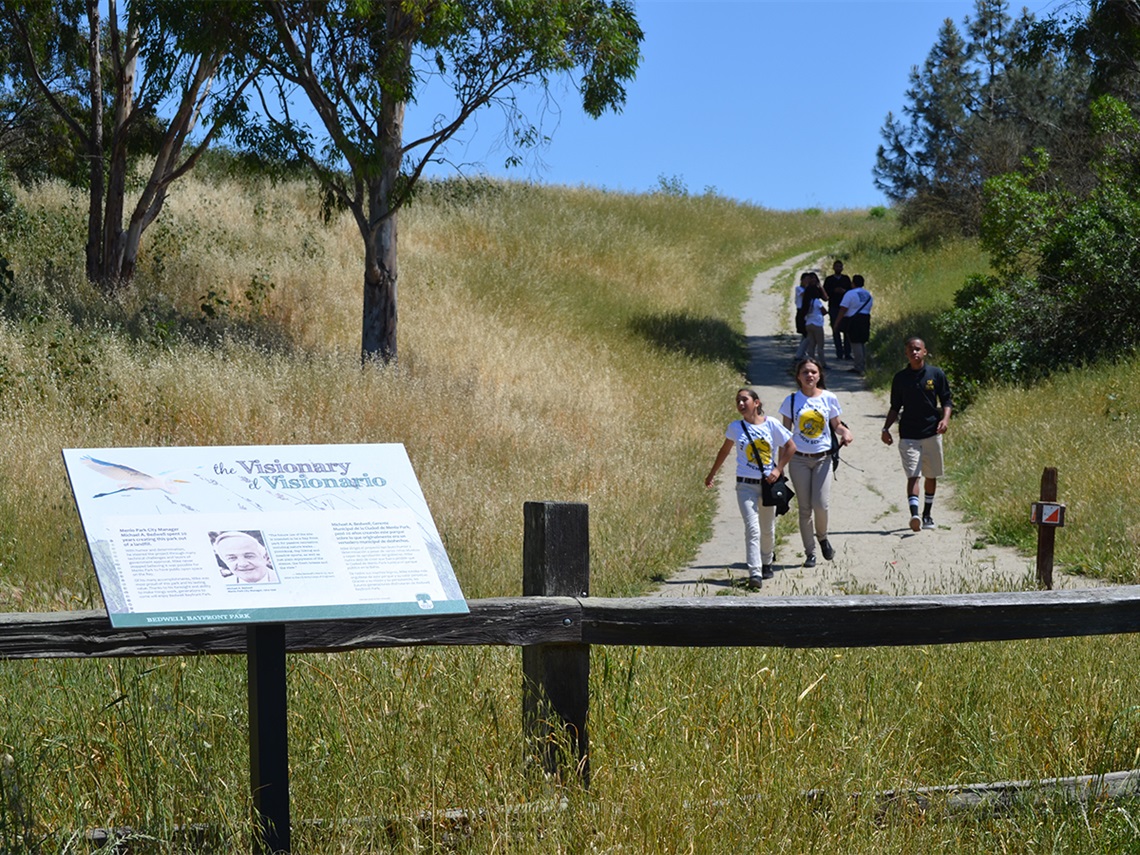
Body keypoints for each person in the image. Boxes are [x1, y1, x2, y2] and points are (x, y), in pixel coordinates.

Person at [705, 388, 795, 589]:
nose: (740, 404)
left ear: (756, 402)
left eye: (744, 399)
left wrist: (779, 469)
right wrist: (712, 474)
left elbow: (791, 446)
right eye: (738, 400)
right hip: (745, 485)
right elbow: (724, 450)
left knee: (767, 529)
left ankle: (766, 562)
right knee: (752, 528)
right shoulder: (735, 428)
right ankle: (755, 573)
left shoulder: (771, 424)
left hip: (768, 485)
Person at [779, 359, 854, 567]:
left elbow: (836, 425)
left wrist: (845, 432)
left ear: (819, 375)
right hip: (798, 460)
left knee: (820, 504)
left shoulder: (829, 398)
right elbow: (784, 436)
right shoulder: (791, 401)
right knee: (804, 508)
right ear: (798, 377)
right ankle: (810, 553)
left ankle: (822, 537)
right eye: (805, 372)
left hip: (823, 458)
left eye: (813, 372)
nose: (809, 375)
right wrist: (779, 467)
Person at [881, 337, 953, 532]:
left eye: (918, 349)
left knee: (931, 475)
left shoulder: (935, 374)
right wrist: (886, 428)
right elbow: (895, 407)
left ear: (925, 351)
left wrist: (944, 420)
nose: (914, 352)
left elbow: (947, 400)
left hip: (932, 432)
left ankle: (927, 514)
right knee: (913, 475)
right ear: (906, 354)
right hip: (909, 435)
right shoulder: (900, 378)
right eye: (910, 350)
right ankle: (914, 515)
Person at [833, 274, 873, 376]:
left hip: (854, 319)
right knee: (863, 341)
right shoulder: (868, 294)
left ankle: (859, 366)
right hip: (865, 318)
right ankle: (865, 364)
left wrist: (837, 323)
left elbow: (843, 309)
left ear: (853, 283)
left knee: (855, 342)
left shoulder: (850, 294)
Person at [213, 530, 279, 583]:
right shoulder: (223, 585)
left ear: (265, 557)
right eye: (232, 558)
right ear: (225, 561)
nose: (243, 564)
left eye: (249, 556)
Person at [823, 260, 852, 361]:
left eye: (840, 266)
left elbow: (851, 291)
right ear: (833, 268)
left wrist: (844, 291)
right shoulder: (829, 279)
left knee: (847, 331)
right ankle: (839, 352)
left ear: (842, 268)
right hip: (834, 306)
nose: (838, 268)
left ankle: (847, 353)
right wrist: (833, 291)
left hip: (845, 308)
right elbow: (825, 292)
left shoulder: (846, 279)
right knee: (836, 330)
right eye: (836, 266)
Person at [800, 272, 828, 367]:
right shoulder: (816, 301)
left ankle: (812, 362)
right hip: (817, 324)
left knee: (811, 345)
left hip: (808, 324)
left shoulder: (806, 302)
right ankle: (823, 364)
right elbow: (824, 311)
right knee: (820, 346)